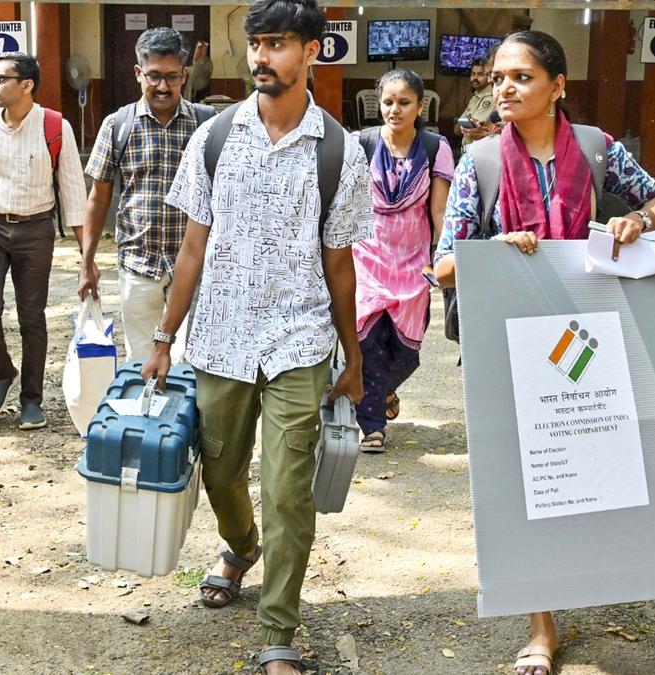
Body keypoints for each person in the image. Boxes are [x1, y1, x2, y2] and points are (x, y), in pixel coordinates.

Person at [433, 31, 655, 675]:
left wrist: (636, 222)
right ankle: (542, 625)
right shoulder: (480, 164)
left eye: (523, 77)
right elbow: (445, 266)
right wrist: (497, 250)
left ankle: (585, 574)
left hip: (589, 342)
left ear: (558, 85)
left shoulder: (598, 150)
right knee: (525, 478)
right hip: (511, 345)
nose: (505, 88)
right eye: (499, 78)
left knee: (584, 468)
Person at [140, 0, 373, 671]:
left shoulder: (339, 152)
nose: (262, 57)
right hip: (220, 337)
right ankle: (241, 545)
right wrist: (164, 337)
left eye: (277, 44)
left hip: (299, 341)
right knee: (220, 470)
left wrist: (352, 358)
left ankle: (280, 628)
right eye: (256, 43)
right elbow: (191, 249)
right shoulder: (214, 137)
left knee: (289, 487)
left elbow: (339, 264)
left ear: (311, 53)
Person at [0, 52, 86, 430]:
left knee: (32, 316)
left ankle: (31, 400)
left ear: (27, 85)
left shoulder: (55, 127)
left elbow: (73, 193)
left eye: (1, 79)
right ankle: (3, 371)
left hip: (36, 228)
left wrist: (87, 259)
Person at [79, 27, 210, 359]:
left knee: (192, 363)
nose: (163, 86)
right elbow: (98, 197)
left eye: (172, 77)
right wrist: (87, 262)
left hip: (194, 267)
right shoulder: (117, 125)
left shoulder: (206, 126)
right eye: (153, 76)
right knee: (143, 361)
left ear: (185, 75)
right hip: (139, 265)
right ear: (138, 73)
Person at [352, 68, 454, 450]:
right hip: (368, 258)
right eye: (388, 102)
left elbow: (440, 211)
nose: (395, 110)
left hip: (414, 264)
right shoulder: (359, 144)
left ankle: (384, 390)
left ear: (420, 105)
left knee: (407, 349)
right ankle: (373, 424)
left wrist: (442, 258)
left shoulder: (434, 147)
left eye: (404, 102)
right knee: (369, 341)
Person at [456, 52, 496, 148]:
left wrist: (467, 123)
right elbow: (457, 129)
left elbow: (475, 126)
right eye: (473, 74)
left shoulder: (491, 97)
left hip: (479, 149)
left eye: (480, 74)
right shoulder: (475, 97)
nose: (475, 78)